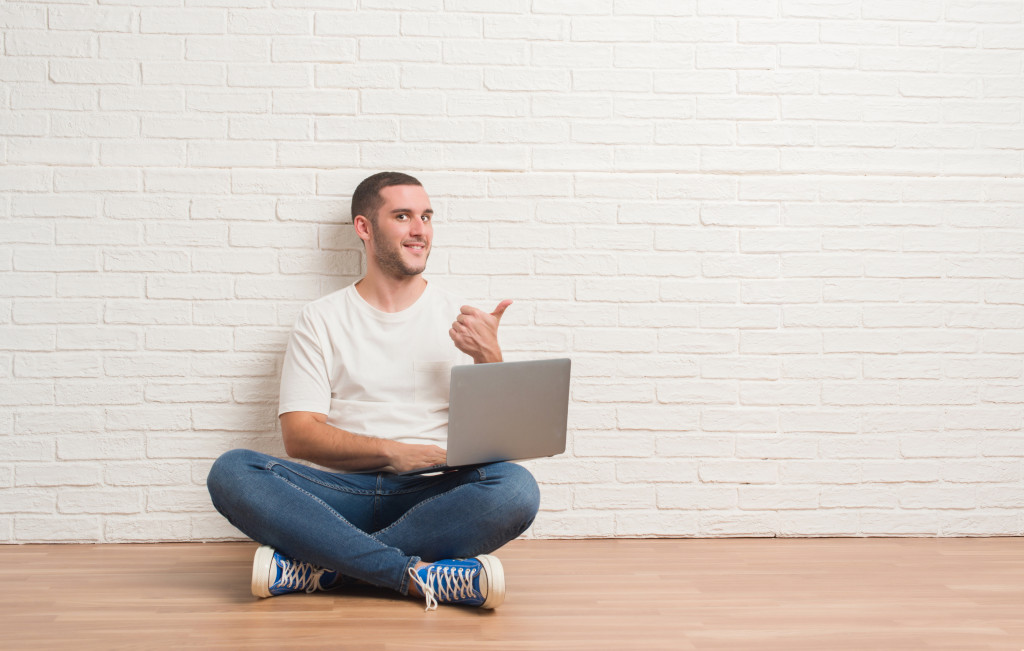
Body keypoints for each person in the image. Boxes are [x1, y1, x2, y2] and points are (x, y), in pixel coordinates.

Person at [206, 171, 541, 611]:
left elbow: (500, 446)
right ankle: (411, 575)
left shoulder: (460, 318)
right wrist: (393, 452)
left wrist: (489, 358)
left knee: (516, 488)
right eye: (402, 216)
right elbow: (300, 436)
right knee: (232, 471)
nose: (420, 230)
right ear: (364, 228)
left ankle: (321, 568)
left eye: (426, 216)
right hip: (339, 496)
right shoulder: (320, 319)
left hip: (430, 495)